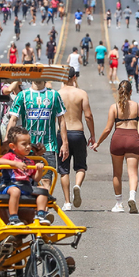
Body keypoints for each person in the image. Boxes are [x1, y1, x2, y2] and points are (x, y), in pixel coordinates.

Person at [94, 80, 139, 214]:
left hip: (118, 139)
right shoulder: (138, 107)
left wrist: (98, 142)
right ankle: (132, 197)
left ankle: (119, 203)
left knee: (117, 173)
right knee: (133, 173)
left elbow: (107, 129)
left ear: (119, 92)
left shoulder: (114, 107)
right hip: (133, 139)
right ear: (131, 91)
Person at [7, 78, 69, 190]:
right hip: (26, 147)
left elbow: (61, 120)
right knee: (27, 180)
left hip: (48, 145)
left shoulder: (54, 95)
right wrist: (7, 141)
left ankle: (45, 201)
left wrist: (65, 143)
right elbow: (13, 119)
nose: (38, 77)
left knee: (46, 180)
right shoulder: (23, 95)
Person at [57, 67, 96, 211]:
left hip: (62, 134)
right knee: (80, 166)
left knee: (64, 169)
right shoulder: (81, 93)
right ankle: (77, 185)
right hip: (78, 133)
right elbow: (88, 116)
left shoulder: (57, 94)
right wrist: (92, 134)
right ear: (74, 77)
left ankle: (67, 202)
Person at [0, 127, 51, 227]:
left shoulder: (29, 161)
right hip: (10, 185)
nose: (28, 147)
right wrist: (15, 164)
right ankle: (13, 217)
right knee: (15, 191)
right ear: (13, 146)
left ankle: (41, 214)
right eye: (24, 144)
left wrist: (39, 170)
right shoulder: (10, 156)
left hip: (26, 186)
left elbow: (36, 178)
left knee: (43, 190)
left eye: (29, 143)